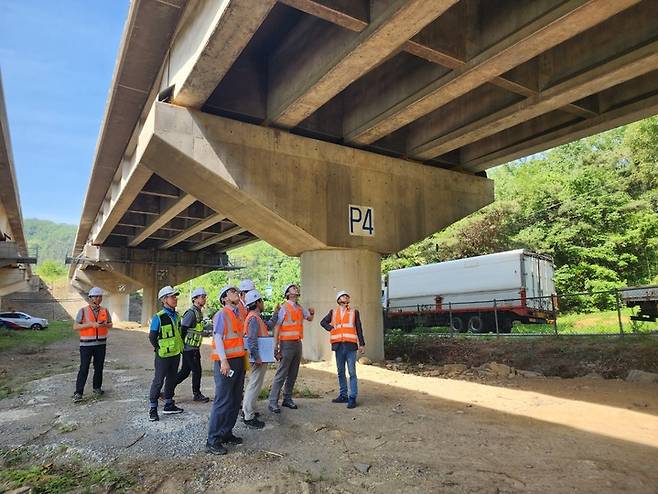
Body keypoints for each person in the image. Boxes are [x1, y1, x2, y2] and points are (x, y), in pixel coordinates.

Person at [206, 285, 246, 455]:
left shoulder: (237, 314)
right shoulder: (222, 314)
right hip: (226, 362)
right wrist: (223, 361)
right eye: (232, 292)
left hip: (237, 360)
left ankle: (226, 432)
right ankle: (213, 440)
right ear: (224, 298)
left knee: (235, 399)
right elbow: (218, 337)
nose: (236, 293)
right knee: (223, 400)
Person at [268, 283, 314, 413]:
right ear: (288, 293)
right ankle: (272, 402)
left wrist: (312, 313)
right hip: (286, 344)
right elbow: (277, 327)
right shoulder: (283, 307)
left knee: (293, 373)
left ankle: (287, 399)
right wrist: (275, 345)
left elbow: (309, 318)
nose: (296, 289)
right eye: (293, 288)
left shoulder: (299, 308)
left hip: (297, 343)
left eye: (296, 287)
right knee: (281, 373)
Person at [320, 290, 366, 409]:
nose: (345, 297)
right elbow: (323, 322)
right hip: (338, 346)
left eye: (347, 296)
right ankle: (343, 395)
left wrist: (362, 344)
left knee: (352, 373)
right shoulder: (333, 312)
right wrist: (331, 328)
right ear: (339, 300)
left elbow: (358, 328)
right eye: (343, 296)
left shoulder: (354, 312)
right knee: (341, 372)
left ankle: (352, 397)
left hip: (350, 346)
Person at [241, 289, 278, 429]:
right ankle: (248, 416)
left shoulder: (256, 317)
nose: (263, 303)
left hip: (259, 357)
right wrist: (257, 357)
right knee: (253, 385)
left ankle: (249, 411)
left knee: (254, 385)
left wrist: (275, 314)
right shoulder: (253, 318)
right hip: (257, 358)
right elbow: (251, 340)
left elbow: (268, 326)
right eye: (261, 301)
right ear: (257, 302)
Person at [148, 285, 185, 422]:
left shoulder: (177, 316)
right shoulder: (159, 317)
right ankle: (153, 408)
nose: (175, 299)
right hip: (163, 355)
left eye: (175, 296)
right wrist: (158, 348)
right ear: (164, 300)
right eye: (172, 296)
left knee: (171, 379)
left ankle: (169, 404)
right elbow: (152, 337)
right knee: (158, 381)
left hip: (175, 354)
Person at [72, 287, 113, 402]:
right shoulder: (83, 311)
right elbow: (75, 326)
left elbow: (110, 324)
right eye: (96, 296)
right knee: (84, 368)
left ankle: (97, 388)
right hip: (86, 345)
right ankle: (78, 392)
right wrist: (90, 324)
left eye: (100, 296)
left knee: (99, 367)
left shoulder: (104, 310)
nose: (98, 298)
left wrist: (104, 325)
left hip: (101, 344)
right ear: (90, 298)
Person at [175, 287, 211, 402]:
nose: (204, 299)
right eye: (202, 297)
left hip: (194, 348)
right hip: (189, 349)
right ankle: (197, 394)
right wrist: (183, 346)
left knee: (185, 372)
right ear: (195, 299)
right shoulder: (191, 313)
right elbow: (183, 329)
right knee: (197, 370)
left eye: (204, 296)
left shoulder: (198, 312)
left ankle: (167, 390)